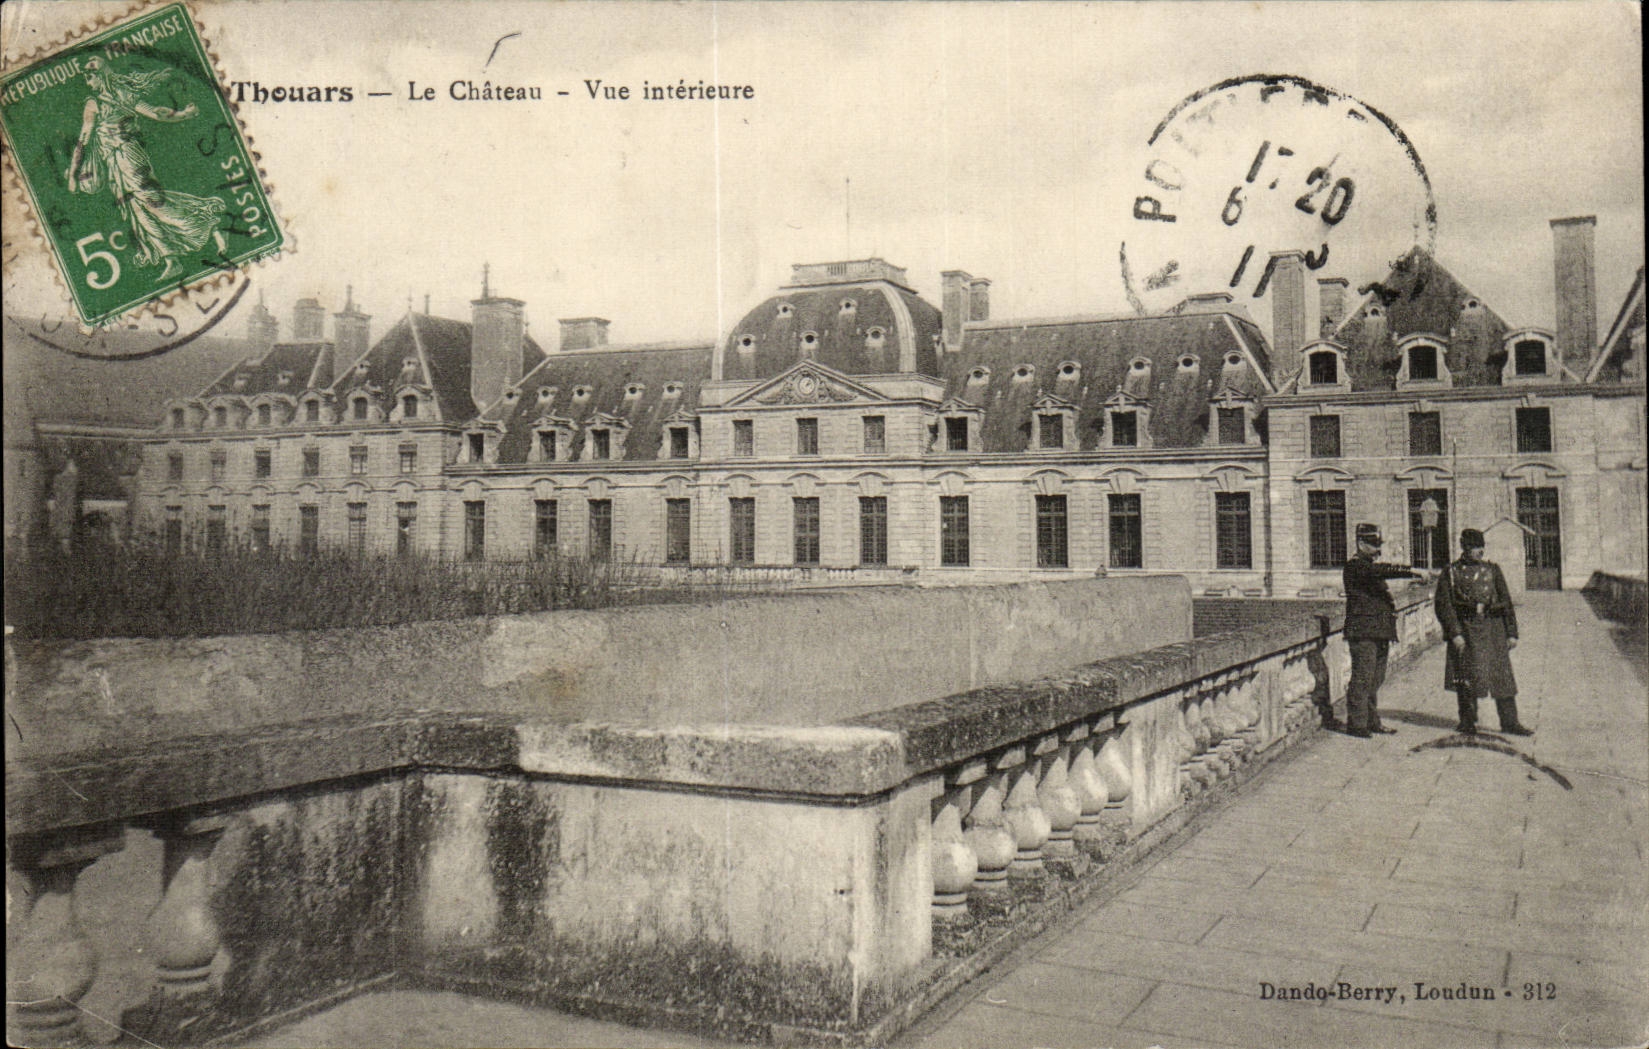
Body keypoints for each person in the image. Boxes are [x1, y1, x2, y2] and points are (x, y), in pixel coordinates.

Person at [66, 57, 227, 281]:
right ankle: (171, 260)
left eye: (90, 75)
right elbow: (84, 139)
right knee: (137, 209)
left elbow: (153, 113)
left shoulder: (111, 98)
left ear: (102, 75)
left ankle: (208, 224)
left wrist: (183, 114)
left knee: (153, 203)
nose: (87, 80)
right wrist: (73, 173)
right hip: (114, 164)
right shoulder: (103, 100)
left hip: (129, 156)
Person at [1435, 527, 1530, 736]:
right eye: (1475, 547)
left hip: (1493, 629)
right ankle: (1468, 721)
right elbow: (1444, 606)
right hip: (1466, 630)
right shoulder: (1451, 572)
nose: (1480, 551)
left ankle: (1510, 722)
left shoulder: (1492, 570)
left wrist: (1511, 632)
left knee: (1502, 677)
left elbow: (1506, 601)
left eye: (1481, 546)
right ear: (1464, 547)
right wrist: (1455, 633)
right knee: (1466, 676)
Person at [1342, 523, 1422, 738]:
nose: (1378, 549)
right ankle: (1356, 724)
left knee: (1375, 679)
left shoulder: (1369, 568)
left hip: (1379, 632)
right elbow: (1380, 571)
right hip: (1363, 633)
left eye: (1378, 544)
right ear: (1361, 544)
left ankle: (1371, 721)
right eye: (1374, 544)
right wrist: (1411, 572)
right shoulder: (1356, 567)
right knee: (1362, 678)